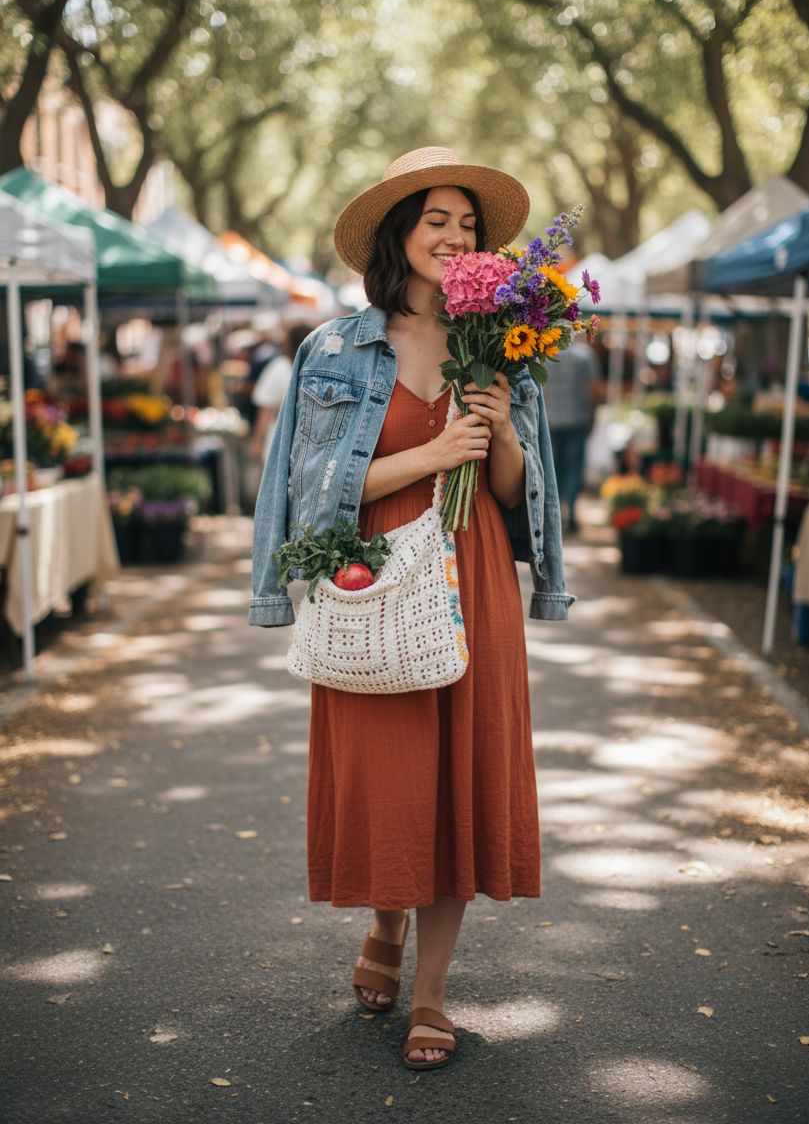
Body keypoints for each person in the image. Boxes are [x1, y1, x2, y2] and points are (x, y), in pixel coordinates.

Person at [249, 147, 575, 1070]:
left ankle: (430, 993)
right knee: (395, 781)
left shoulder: (509, 343)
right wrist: (430, 460)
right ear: (398, 235)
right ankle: (383, 927)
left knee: (460, 781)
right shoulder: (334, 349)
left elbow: (516, 495)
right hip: (372, 574)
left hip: (473, 577)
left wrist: (502, 427)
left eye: (467, 224)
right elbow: (313, 494)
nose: (455, 235)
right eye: (436, 219)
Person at [542, 336, 603, 533]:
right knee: (574, 468)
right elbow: (593, 389)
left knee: (553, 468)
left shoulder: (546, 355)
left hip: (551, 419)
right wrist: (593, 415)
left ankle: (555, 514)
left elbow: (541, 388)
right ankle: (571, 512)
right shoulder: (585, 355)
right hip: (577, 418)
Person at [248, 323, 313, 467]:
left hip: (280, 442)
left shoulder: (278, 368)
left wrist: (257, 442)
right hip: (312, 448)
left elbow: (266, 410)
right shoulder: (319, 367)